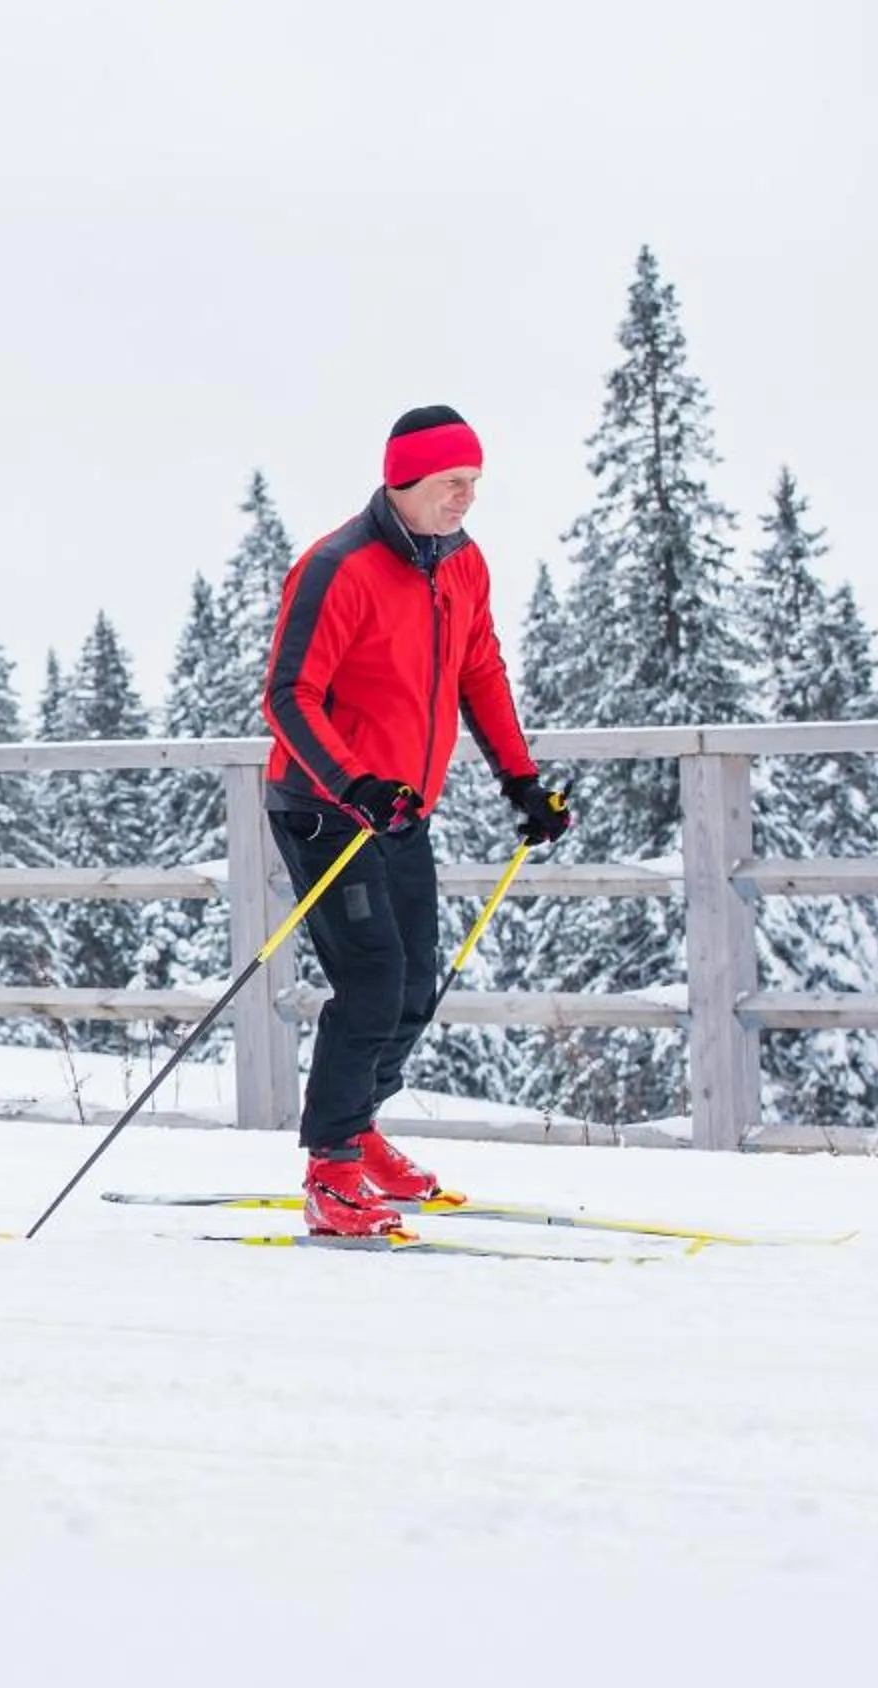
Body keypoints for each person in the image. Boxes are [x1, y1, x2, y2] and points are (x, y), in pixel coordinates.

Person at [260, 407, 577, 1236]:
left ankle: (358, 1132)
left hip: (399, 810)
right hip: (326, 810)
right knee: (370, 980)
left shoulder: (462, 566)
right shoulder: (338, 567)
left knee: (413, 985)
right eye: (452, 483)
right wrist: (349, 783)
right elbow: (286, 696)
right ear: (404, 480)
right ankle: (330, 1170)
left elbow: (482, 674)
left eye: (475, 482)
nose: (467, 498)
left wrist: (523, 783)